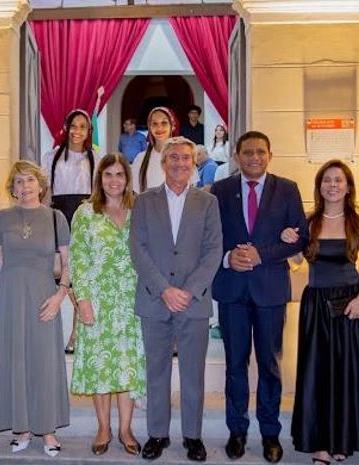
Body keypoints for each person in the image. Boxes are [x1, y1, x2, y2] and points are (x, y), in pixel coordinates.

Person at [283, 160, 359, 465]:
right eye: (327, 180)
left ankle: (347, 440)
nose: (332, 185)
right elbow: (296, 262)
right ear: (319, 187)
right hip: (317, 306)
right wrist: (288, 240)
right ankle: (322, 444)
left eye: (338, 180)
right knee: (319, 374)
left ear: (348, 187)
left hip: (354, 304)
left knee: (355, 374)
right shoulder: (308, 222)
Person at [210, 130, 308, 463]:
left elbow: (301, 238)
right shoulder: (220, 191)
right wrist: (227, 257)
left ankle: (270, 433)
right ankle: (237, 431)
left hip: (270, 290)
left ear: (270, 155)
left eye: (260, 152)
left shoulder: (288, 189)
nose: (254, 157)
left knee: (269, 365)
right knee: (235, 365)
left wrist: (261, 255)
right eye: (248, 152)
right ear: (237, 156)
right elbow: (209, 238)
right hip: (232, 290)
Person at [129, 136, 222, 462]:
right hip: (155, 300)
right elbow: (137, 249)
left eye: (185, 158)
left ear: (193, 163)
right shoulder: (144, 201)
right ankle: (158, 434)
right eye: (174, 158)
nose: (180, 163)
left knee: (193, 373)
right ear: (163, 162)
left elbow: (213, 250)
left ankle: (192, 436)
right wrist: (164, 289)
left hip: (193, 302)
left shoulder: (207, 202)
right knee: (156, 372)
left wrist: (189, 290)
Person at [0, 160, 70, 458]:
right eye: (19, 181)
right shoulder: (2, 218)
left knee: (43, 363)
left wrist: (60, 296)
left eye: (30, 180)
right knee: (15, 359)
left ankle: (47, 429)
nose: (25, 186)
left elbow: (68, 265)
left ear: (40, 184)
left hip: (44, 299)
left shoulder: (56, 217)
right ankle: (21, 427)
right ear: (12, 188)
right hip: (10, 299)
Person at [70, 153, 146, 456]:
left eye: (119, 174)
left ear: (127, 178)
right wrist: (83, 300)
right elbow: (78, 259)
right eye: (108, 175)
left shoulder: (139, 210)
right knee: (101, 366)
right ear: (99, 179)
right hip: (98, 300)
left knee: (126, 366)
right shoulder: (86, 213)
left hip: (131, 300)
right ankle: (103, 427)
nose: (114, 181)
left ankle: (126, 428)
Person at [41, 108, 97, 354]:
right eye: (73, 126)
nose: (77, 131)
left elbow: (99, 194)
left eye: (82, 127)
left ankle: (76, 332)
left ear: (88, 130)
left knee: (81, 273)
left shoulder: (95, 157)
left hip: (85, 218)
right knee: (61, 272)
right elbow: (45, 193)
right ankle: (57, 329)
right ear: (66, 128)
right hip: (58, 217)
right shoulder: (51, 157)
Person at [131, 107, 198, 194]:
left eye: (164, 123)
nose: (159, 128)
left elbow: (192, 191)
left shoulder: (185, 156)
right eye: (154, 124)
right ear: (150, 128)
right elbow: (136, 194)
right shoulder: (140, 159)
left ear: (172, 126)